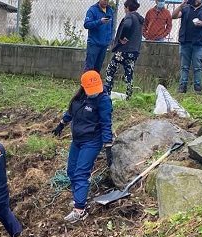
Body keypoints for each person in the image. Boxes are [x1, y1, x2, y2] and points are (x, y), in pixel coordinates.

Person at [51, 70, 113, 223]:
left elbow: (106, 123)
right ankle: (79, 197)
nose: (94, 93)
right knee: (71, 171)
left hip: (92, 141)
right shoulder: (79, 98)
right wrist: (62, 124)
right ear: (83, 87)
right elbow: (71, 112)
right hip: (77, 140)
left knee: (81, 173)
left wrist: (108, 146)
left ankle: (80, 210)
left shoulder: (103, 100)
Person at [172, 0, 202, 93]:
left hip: (198, 43)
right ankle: (182, 86)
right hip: (185, 42)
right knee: (184, 66)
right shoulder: (186, 8)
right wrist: (180, 6)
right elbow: (173, 16)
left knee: (197, 66)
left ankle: (197, 87)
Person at [106, 0, 145, 99]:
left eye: (124, 7)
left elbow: (127, 25)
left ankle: (107, 91)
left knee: (111, 69)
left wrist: (123, 37)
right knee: (129, 72)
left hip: (124, 50)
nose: (124, 9)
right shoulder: (139, 19)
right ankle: (129, 94)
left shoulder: (129, 16)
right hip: (134, 50)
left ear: (127, 7)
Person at [83, 0, 115, 72]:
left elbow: (112, 26)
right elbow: (86, 25)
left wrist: (111, 39)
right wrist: (100, 21)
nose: (106, 2)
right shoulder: (92, 10)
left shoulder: (110, 10)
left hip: (104, 44)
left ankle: (95, 83)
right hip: (94, 44)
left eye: (107, 0)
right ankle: (86, 83)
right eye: (104, 0)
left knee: (98, 67)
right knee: (89, 67)